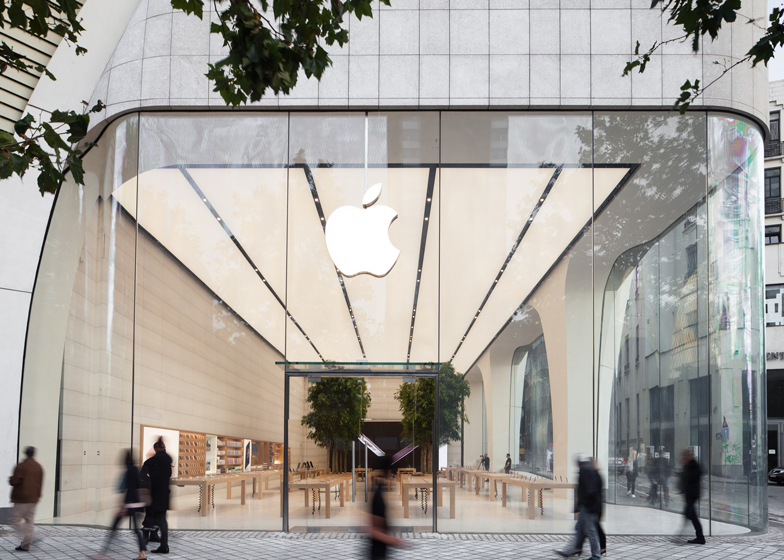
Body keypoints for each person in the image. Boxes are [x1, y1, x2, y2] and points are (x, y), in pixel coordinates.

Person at [96, 450, 147, 560]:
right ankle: (142, 554)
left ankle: (102, 553)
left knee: (114, 527)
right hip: (137, 504)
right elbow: (138, 486)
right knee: (136, 530)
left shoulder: (128, 470)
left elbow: (129, 489)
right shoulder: (137, 469)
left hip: (130, 505)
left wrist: (125, 505)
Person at [556, 454, 602, 559]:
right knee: (579, 528)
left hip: (589, 506)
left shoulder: (584, 469)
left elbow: (589, 489)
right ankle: (573, 549)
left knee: (591, 530)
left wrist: (586, 502)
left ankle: (596, 556)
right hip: (588, 505)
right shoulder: (588, 469)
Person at [367, 456, 406, 559]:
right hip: (378, 552)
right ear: (389, 472)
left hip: (380, 550)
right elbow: (373, 529)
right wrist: (395, 541)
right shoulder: (378, 495)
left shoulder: (379, 492)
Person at [141, 437, 173, 554]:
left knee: (149, 516)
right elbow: (169, 475)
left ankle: (145, 540)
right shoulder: (167, 460)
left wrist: (150, 481)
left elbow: (142, 475)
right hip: (164, 493)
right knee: (161, 519)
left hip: (153, 493)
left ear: (155, 449)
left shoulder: (151, 461)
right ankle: (162, 543)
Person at [9, 446, 43, 552]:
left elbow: (14, 481)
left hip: (22, 498)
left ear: (26, 453)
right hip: (34, 498)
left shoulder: (22, 466)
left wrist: (10, 478)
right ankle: (25, 545)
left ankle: (31, 536)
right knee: (29, 521)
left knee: (15, 520)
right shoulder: (39, 467)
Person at [679, 449, 705, 545]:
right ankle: (699, 536)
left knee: (691, 515)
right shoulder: (689, 465)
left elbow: (691, 478)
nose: (683, 458)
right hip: (689, 494)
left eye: (684, 456)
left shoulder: (694, 465)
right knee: (690, 515)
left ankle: (699, 537)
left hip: (692, 494)